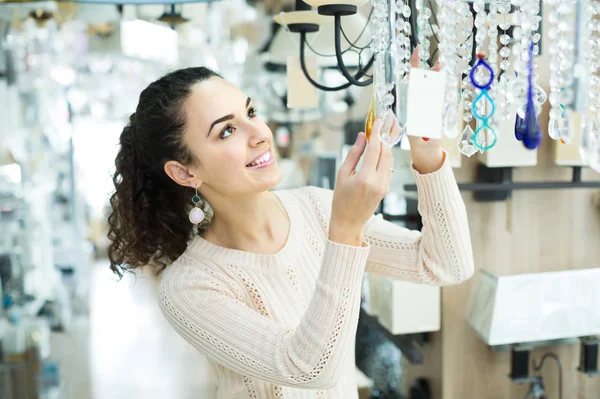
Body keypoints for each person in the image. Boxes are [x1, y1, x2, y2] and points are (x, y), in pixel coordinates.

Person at [107, 51, 474, 399]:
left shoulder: (315, 207)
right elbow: (308, 367)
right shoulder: (189, 287)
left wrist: (428, 154)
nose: (260, 133)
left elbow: (445, 264)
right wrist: (345, 230)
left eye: (251, 112)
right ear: (185, 172)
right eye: (226, 131)